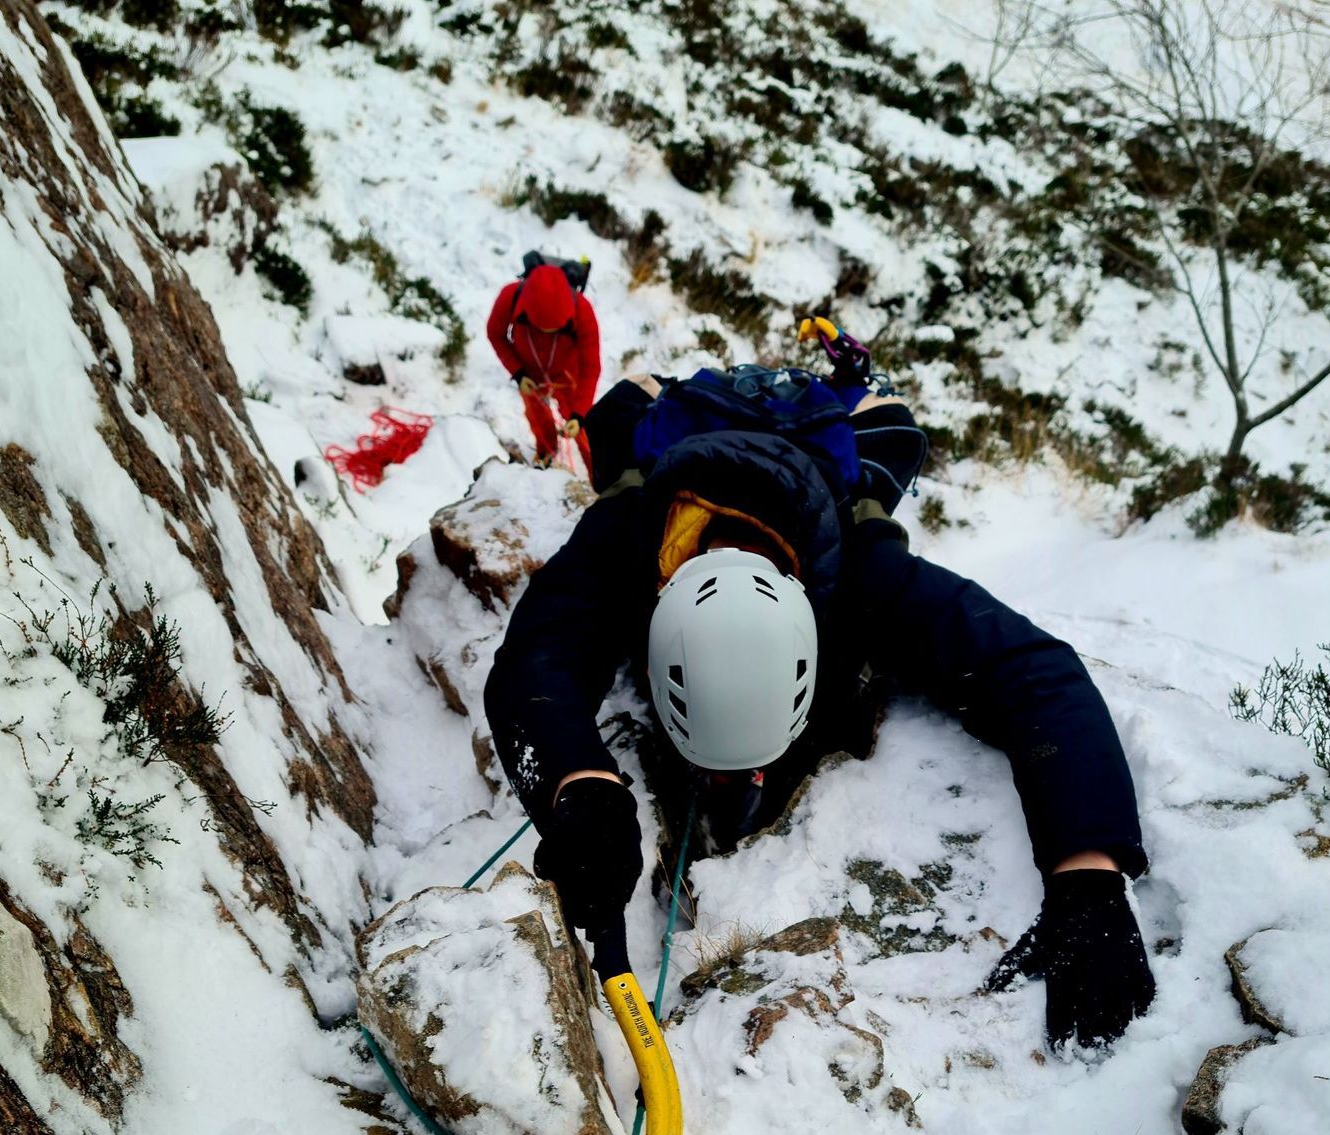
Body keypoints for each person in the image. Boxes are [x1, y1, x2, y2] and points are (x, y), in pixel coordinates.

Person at [482, 346, 1155, 1052]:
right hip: (683, 471)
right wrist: (578, 783)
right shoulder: (623, 538)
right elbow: (535, 664)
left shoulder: (868, 572)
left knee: (892, 439)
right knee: (617, 427)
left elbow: (1036, 671)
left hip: (809, 490)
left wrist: (1089, 872)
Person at [487, 256, 601, 477]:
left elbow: (591, 367)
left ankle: (596, 470)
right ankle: (546, 449)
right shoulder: (510, 297)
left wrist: (579, 414)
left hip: (569, 375)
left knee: (584, 428)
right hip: (529, 372)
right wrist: (518, 374)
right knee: (536, 416)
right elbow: (495, 334)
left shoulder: (582, 310)